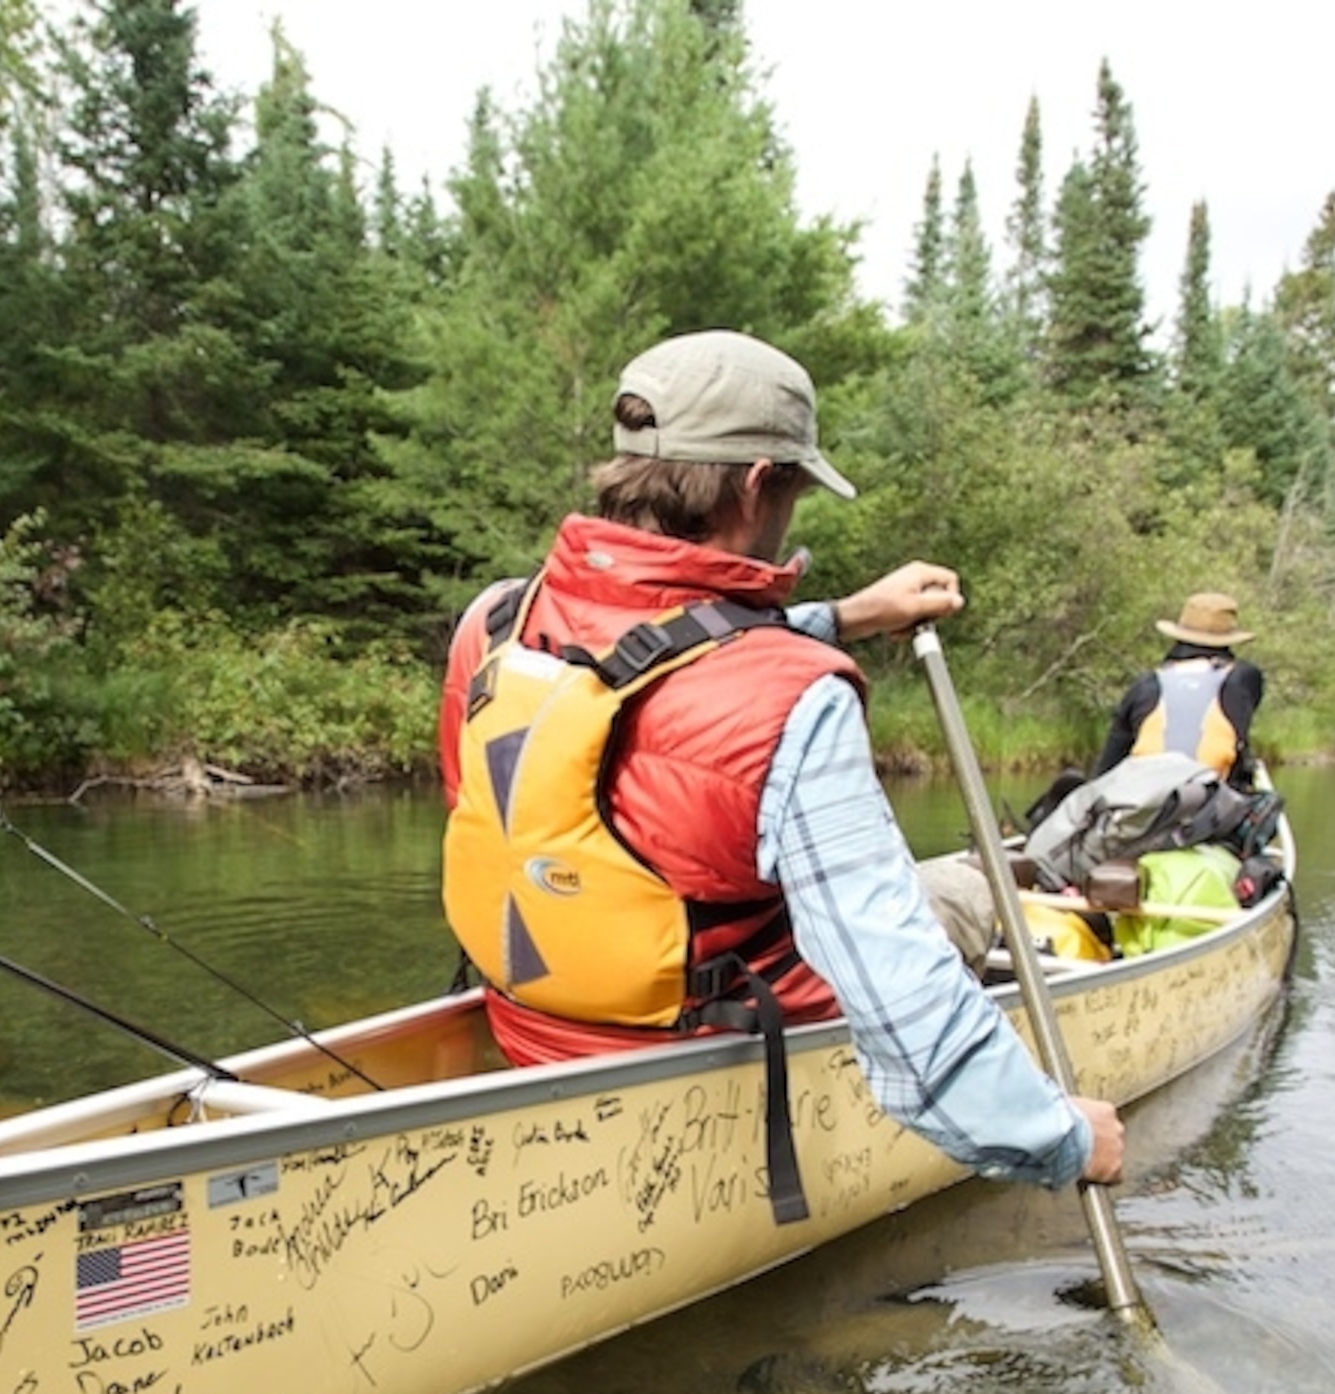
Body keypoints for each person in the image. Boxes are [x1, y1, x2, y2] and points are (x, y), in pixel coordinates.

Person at [437, 329, 1121, 1192]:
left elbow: (649, 671)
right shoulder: (794, 698)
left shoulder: (497, 623)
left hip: (532, 1030)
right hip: (706, 1061)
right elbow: (903, 1007)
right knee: (967, 888)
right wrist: (1061, 1137)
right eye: (796, 489)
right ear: (760, 484)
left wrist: (850, 615)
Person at [1092, 591, 1268, 785]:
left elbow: (1108, 765)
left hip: (1146, 802)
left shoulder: (1146, 685)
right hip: (1211, 805)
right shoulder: (1244, 678)